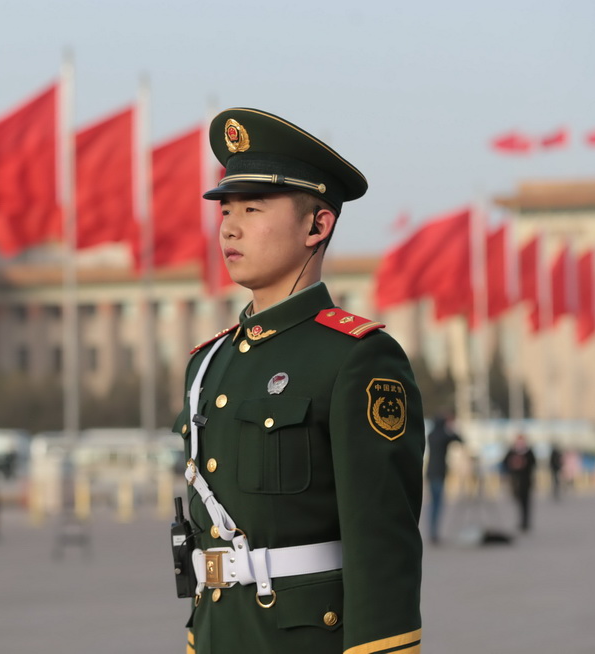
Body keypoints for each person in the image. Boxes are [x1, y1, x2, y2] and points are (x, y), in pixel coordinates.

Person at [173, 108, 424, 654]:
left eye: (253, 209)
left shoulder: (358, 359)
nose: (230, 227)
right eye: (226, 210)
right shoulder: (209, 364)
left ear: (318, 225)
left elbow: (382, 539)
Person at [425, 412, 463, 545]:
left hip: (431, 472)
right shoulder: (443, 436)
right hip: (439, 473)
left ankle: (433, 532)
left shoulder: (431, 435)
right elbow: (460, 439)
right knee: (437, 505)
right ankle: (434, 533)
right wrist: (452, 427)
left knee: (433, 505)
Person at [501, 433, 537, 532]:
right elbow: (504, 462)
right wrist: (513, 464)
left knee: (526, 502)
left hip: (525, 480)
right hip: (515, 480)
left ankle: (525, 522)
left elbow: (534, 463)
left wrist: (524, 463)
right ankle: (521, 521)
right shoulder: (512, 451)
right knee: (518, 500)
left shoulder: (528, 451)